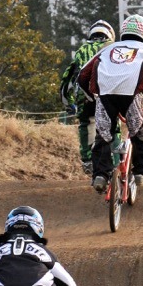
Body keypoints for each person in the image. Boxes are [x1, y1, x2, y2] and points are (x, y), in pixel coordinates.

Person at [78, 14, 143, 192]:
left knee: (103, 136)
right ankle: (140, 172)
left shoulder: (107, 49)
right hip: (131, 95)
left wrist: (92, 96)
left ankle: (100, 176)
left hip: (105, 94)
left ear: (123, 31)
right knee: (139, 131)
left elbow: (82, 75)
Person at [59, 20, 116, 174]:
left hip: (84, 95)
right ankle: (117, 162)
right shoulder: (114, 48)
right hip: (109, 93)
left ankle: (87, 160)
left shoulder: (82, 50)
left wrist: (68, 103)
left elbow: (67, 79)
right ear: (110, 34)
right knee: (113, 125)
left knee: (87, 122)